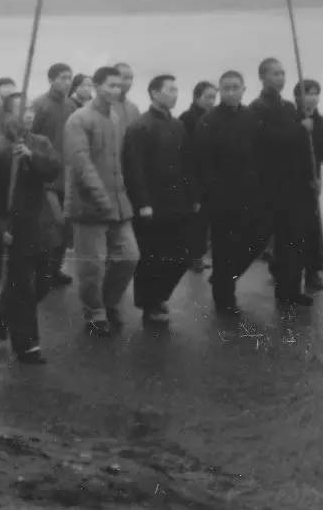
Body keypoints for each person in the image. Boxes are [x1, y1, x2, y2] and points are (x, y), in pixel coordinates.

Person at [0, 93, 63, 365]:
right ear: (8, 115)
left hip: (40, 225)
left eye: (30, 109)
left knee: (43, 283)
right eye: (21, 110)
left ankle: (3, 309)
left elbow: (53, 171)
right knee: (23, 290)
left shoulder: (40, 143)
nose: (28, 114)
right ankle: (27, 347)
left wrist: (31, 156)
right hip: (13, 230)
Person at [63, 66, 138, 336]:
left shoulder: (116, 117)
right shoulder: (79, 119)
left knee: (129, 256)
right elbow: (81, 164)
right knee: (91, 265)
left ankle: (108, 302)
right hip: (89, 205)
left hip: (119, 203)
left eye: (119, 86)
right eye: (110, 85)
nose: (116, 90)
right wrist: (101, 198)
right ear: (96, 86)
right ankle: (94, 313)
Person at [123, 74, 200, 326]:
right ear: (154, 93)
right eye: (170, 89)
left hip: (178, 202)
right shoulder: (140, 127)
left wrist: (194, 196)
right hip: (151, 206)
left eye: (177, 89)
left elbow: (189, 164)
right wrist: (142, 202)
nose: (175, 94)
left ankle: (160, 295)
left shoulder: (177, 125)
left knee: (183, 254)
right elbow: (133, 169)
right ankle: (150, 305)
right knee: (152, 256)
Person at [194, 71, 268, 316]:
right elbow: (202, 162)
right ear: (220, 90)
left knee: (259, 236)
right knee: (224, 248)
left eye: (236, 87)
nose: (231, 92)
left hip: (251, 193)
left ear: (244, 89)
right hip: (221, 196)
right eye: (226, 88)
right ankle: (224, 300)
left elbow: (261, 156)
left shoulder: (252, 117)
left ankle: (223, 278)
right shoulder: (208, 120)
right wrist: (212, 193)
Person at [249, 58, 315, 308]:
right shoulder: (257, 108)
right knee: (281, 239)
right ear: (262, 77)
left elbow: (300, 148)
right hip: (272, 185)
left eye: (283, 73)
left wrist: (311, 178)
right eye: (275, 73)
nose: (281, 78)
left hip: (295, 184)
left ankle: (291, 289)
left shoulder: (288, 107)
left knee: (295, 238)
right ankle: (282, 290)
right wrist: (301, 130)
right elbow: (268, 141)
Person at [30, 62, 77, 287]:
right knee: (52, 225)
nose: (67, 82)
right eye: (62, 78)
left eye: (69, 78)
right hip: (46, 176)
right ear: (51, 79)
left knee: (66, 226)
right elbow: (31, 137)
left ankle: (55, 269)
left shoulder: (71, 106)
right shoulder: (39, 105)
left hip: (67, 175)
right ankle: (44, 271)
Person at [294, 79, 323, 292]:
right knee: (293, 227)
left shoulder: (320, 121)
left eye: (316, 94)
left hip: (313, 182)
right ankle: (284, 270)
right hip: (292, 180)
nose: (312, 97)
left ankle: (313, 273)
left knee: (313, 227)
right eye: (308, 93)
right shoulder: (291, 118)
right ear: (298, 97)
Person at [179, 80, 218, 271]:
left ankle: (198, 256)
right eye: (208, 97)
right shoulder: (188, 118)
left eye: (214, 97)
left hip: (209, 175)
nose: (212, 101)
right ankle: (194, 257)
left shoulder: (212, 117)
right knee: (197, 220)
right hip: (193, 175)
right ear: (197, 97)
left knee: (205, 219)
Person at [113, 62, 143, 127]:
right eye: (125, 78)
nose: (129, 82)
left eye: (131, 78)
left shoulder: (133, 109)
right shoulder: (103, 107)